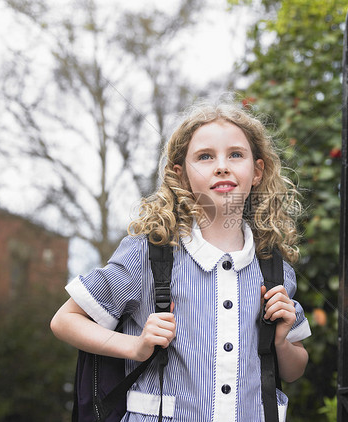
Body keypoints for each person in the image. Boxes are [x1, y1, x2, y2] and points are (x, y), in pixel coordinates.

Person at [50, 99, 311, 421]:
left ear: (257, 171)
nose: (222, 166)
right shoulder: (148, 254)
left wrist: (283, 340)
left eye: (236, 154)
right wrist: (135, 346)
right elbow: (64, 321)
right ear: (182, 175)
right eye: (205, 156)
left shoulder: (275, 270)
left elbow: (295, 369)